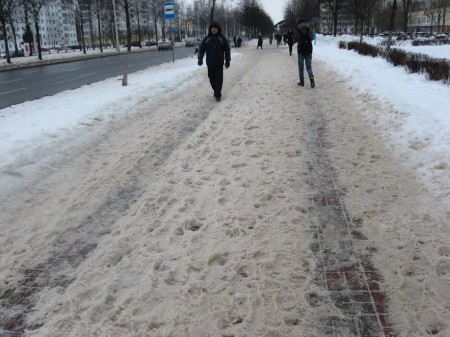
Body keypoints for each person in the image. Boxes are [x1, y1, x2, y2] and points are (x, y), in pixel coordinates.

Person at [198, 21, 231, 102]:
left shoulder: (222, 38)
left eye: (215, 28)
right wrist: (200, 59)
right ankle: (216, 91)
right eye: (212, 28)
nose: (214, 30)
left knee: (219, 79)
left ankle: (218, 94)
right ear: (210, 29)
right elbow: (201, 49)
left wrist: (228, 60)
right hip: (210, 63)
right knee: (211, 78)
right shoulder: (207, 39)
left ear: (218, 29)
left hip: (219, 62)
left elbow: (227, 50)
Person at [295, 19, 315, 88]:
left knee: (301, 68)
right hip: (309, 50)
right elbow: (312, 38)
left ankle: (302, 81)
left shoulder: (297, 30)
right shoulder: (309, 29)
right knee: (309, 67)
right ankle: (311, 78)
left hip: (301, 51)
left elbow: (295, 40)